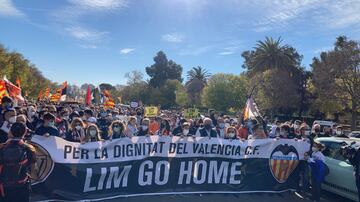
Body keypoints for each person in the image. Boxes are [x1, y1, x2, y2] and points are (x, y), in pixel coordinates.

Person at [0, 122, 36, 202]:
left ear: (10, 132)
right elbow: (32, 166)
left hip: (5, 186)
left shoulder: (2, 147)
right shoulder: (30, 148)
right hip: (22, 184)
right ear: (25, 132)